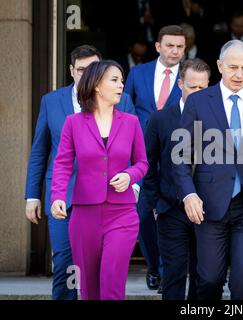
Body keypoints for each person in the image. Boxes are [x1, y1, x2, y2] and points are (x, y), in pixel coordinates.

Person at [172, 40, 243, 300]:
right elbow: (179, 156)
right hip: (208, 205)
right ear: (220, 66)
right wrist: (189, 194)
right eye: (233, 67)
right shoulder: (198, 102)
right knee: (210, 279)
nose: (239, 74)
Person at [24, 45, 135, 300]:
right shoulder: (52, 101)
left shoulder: (122, 100)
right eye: (82, 69)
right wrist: (32, 195)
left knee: (100, 265)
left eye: (94, 69)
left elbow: (133, 149)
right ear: (72, 71)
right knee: (64, 260)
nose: (88, 75)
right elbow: (41, 151)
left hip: (107, 196)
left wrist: (133, 184)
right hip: (64, 195)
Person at [50, 60, 148, 300]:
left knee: (112, 287)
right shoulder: (73, 123)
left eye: (121, 81)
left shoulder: (131, 122)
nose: (121, 85)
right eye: (114, 80)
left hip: (122, 214)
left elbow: (142, 163)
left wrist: (129, 175)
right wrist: (58, 198)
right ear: (96, 85)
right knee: (89, 291)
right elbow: (62, 164)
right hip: (84, 215)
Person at [139, 58, 210, 300]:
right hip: (170, 208)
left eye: (203, 88)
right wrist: (158, 201)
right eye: (192, 87)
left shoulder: (216, 119)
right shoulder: (160, 119)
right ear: (180, 84)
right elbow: (146, 163)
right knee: (174, 274)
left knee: (204, 277)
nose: (197, 93)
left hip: (208, 209)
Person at [125, 24, 186, 290]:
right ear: (158, 46)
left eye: (180, 46)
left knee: (170, 213)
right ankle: (153, 264)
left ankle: (165, 270)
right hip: (139, 155)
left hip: (175, 156)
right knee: (142, 213)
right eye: (170, 45)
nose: (175, 51)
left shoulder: (189, 75)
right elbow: (125, 107)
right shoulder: (139, 72)